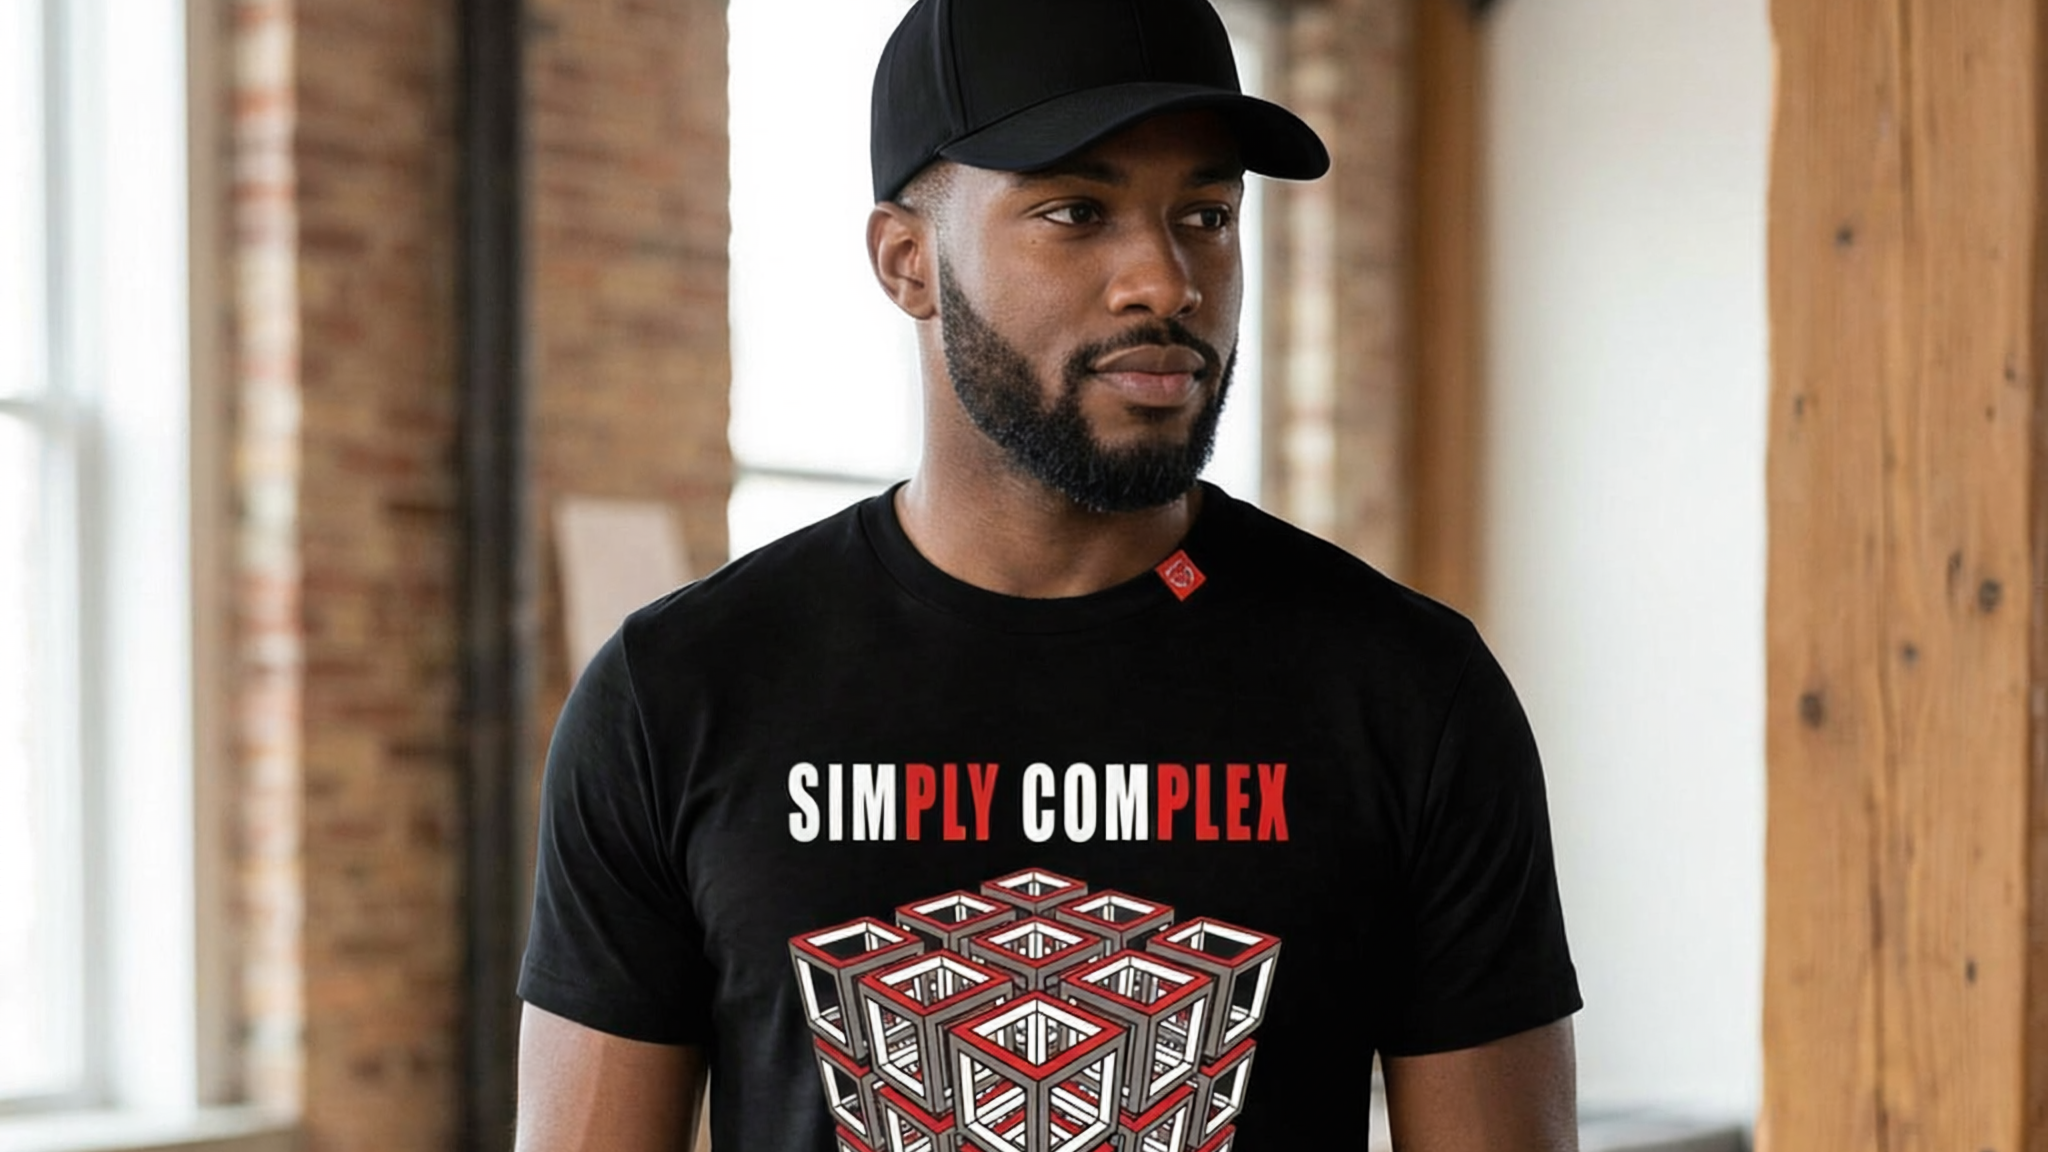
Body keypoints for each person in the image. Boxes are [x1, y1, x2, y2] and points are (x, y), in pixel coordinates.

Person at [513, 0, 1582, 1148]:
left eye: (1206, 215)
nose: (1164, 281)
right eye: (1076, 211)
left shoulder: (1406, 690)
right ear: (907, 262)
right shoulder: (678, 693)